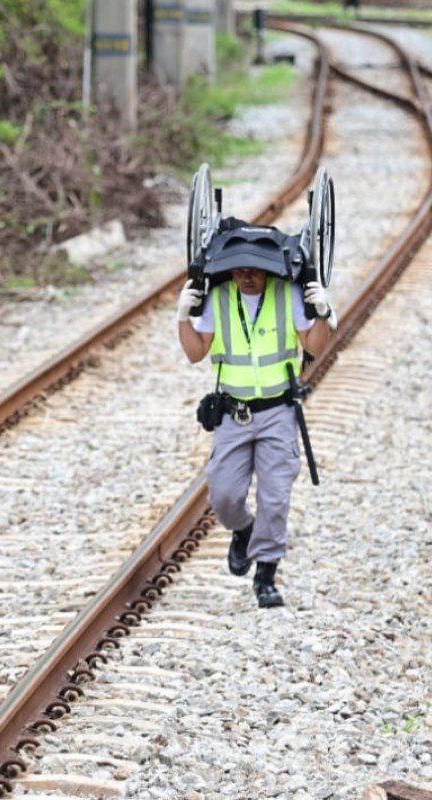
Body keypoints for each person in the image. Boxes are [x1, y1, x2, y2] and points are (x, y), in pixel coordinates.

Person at [177, 225, 333, 609]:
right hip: (235, 413)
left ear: (268, 270)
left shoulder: (287, 295)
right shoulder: (219, 298)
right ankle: (243, 531)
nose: (247, 276)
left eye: (255, 269)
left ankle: (265, 574)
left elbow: (315, 346)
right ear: (229, 270)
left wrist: (324, 313)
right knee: (225, 494)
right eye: (239, 269)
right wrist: (182, 316)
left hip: (278, 411)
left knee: (275, 497)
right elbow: (196, 353)